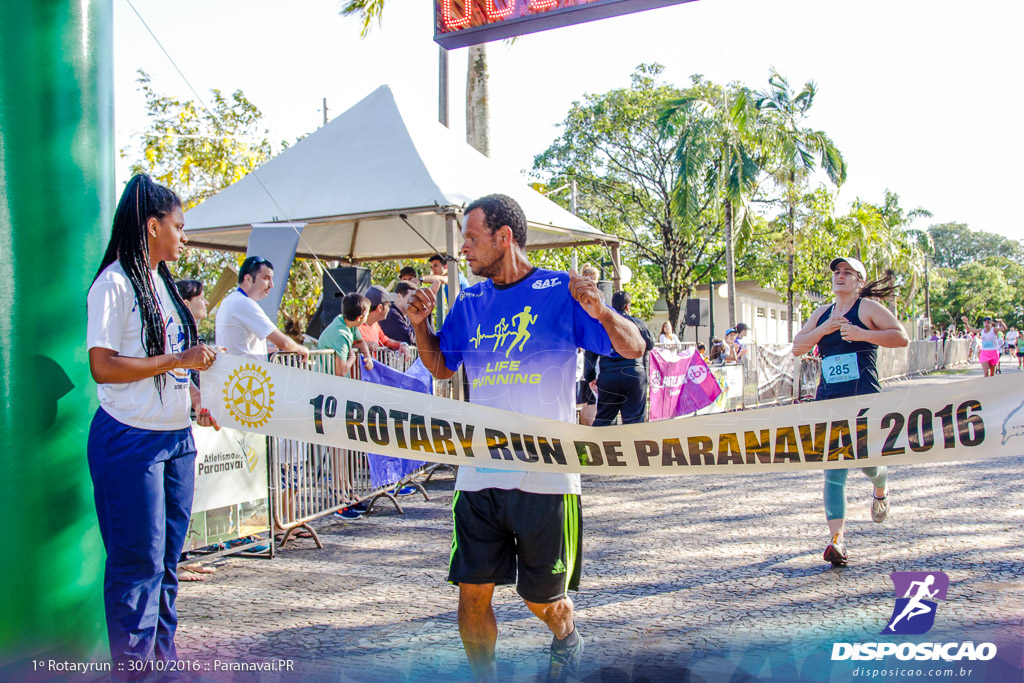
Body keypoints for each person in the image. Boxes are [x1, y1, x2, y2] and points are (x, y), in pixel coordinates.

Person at [406, 194, 644, 682]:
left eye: (472, 239)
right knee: (471, 590)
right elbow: (441, 366)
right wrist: (419, 326)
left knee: (541, 599)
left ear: (504, 237)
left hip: (546, 474)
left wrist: (602, 313)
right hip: (479, 472)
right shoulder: (471, 301)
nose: (464, 250)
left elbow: (633, 346)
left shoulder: (563, 291)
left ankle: (566, 635)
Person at [86, 174, 220, 674]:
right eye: (178, 226)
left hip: (174, 441)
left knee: (166, 567)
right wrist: (174, 361)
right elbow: (103, 365)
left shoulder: (162, 285)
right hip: (129, 441)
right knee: (136, 568)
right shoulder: (114, 283)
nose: (183, 236)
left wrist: (195, 393)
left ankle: (163, 664)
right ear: (151, 225)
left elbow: (170, 363)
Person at [792, 256, 909, 567]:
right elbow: (798, 346)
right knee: (834, 468)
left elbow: (901, 337)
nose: (840, 276)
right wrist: (824, 329)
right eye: (837, 272)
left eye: (848, 272)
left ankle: (880, 487)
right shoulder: (823, 313)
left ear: (858, 281)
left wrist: (863, 334)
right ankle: (837, 540)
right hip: (829, 400)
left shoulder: (867, 309)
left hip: (864, 400)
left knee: (866, 462)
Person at [214, 256, 310, 362]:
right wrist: (301, 348)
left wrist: (263, 351)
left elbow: (239, 345)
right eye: (266, 278)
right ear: (248, 279)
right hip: (244, 375)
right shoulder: (244, 303)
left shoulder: (229, 300)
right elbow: (283, 343)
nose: (271, 285)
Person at [593, 291, 655, 427]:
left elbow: (591, 351)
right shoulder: (636, 322)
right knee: (634, 420)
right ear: (627, 306)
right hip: (633, 373)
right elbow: (650, 344)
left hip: (608, 376)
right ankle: (632, 447)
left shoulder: (601, 325)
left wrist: (590, 375)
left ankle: (600, 447)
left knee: (604, 419)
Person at [318, 292, 374, 377]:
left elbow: (360, 342)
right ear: (359, 318)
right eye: (367, 315)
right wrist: (352, 357)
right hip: (327, 382)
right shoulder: (341, 335)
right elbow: (341, 372)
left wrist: (368, 357)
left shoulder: (347, 323)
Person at [358, 285, 412, 361]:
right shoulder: (356, 325)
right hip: (358, 372)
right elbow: (342, 346)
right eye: (389, 304)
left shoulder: (375, 324)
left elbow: (385, 341)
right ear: (380, 307)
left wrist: (402, 345)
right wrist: (363, 345)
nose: (390, 308)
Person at [379, 281, 420, 345]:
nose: (414, 301)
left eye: (416, 298)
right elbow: (409, 338)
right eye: (411, 298)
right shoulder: (391, 315)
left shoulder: (407, 316)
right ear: (399, 296)